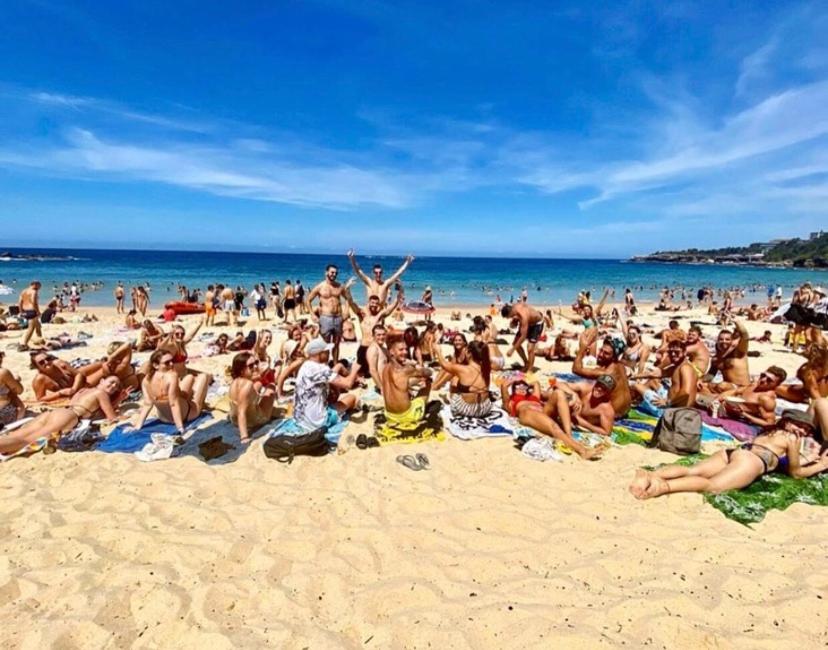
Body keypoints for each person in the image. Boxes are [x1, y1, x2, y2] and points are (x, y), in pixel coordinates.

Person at [629, 410, 828, 499]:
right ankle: (662, 487)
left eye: (806, 430)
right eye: (801, 427)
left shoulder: (770, 431)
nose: (802, 432)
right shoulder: (792, 439)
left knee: (693, 470)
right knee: (712, 486)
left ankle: (650, 475)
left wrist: (808, 459)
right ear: (788, 423)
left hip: (737, 452)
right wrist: (820, 466)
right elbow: (795, 472)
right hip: (752, 460)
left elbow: (782, 459)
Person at [0, 377, 123, 457]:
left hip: (55, 413)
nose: (113, 386)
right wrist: (123, 411)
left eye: (116, 386)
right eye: (112, 382)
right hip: (69, 416)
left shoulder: (83, 390)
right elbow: (112, 417)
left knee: (19, 433)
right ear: (101, 380)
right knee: (30, 439)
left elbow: (88, 406)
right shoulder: (101, 393)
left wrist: (117, 400)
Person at [500, 377, 601, 460]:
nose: (521, 388)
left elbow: (536, 382)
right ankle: (582, 451)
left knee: (559, 393)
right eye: (518, 387)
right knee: (554, 427)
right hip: (528, 414)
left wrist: (525, 383)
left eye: (523, 387)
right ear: (513, 390)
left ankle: (569, 435)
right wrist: (509, 383)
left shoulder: (533, 397)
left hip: (543, 413)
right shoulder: (512, 401)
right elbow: (504, 398)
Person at [133, 350, 212, 435]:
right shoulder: (172, 376)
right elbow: (173, 404)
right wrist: (180, 428)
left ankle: (194, 402)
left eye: (172, 361)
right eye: (167, 363)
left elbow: (148, 404)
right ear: (155, 365)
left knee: (189, 377)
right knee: (204, 377)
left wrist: (138, 426)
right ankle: (200, 405)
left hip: (164, 418)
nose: (171, 364)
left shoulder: (146, 380)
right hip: (186, 415)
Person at [293, 338, 361, 432]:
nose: (329, 353)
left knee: (332, 389)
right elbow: (348, 384)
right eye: (326, 351)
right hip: (317, 423)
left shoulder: (305, 365)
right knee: (352, 398)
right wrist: (355, 367)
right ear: (319, 354)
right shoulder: (321, 369)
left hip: (300, 419)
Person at [571, 328, 631, 417]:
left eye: (606, 353)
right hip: (625, 410)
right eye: (601, 350)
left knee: (573, 397)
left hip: (613, 413)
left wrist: (582, 349)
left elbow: (576, 369)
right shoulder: (620, 366)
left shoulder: (607, 373)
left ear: (614, 357)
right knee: (585, 388)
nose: (600, 354)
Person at [344, 288, 401, 376]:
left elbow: (392, 306)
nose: (374, 305)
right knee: (361, 373)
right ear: (369, 303)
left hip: (376, 348)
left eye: (376, 303)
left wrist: (400, 291)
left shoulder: (380, 316)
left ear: (378, 304)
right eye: (372, 303)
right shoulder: (362, 315)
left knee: (381, 370)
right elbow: (351, 303)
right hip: (364, 347)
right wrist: (348, 291)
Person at [381, 334, 433, 427]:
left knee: (407, 385)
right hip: (406, 416)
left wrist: (415, 381)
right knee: (428, 381)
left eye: (406, 349)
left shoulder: (386, 368)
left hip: (389, 415)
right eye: (401, 350)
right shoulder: (406, 370)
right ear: (391, 352)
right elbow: (429, 372)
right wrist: (414, 364)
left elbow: (399, 383)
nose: (405, 352)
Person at [435, 340, 493, 418]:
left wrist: (438, 351)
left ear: (469, 354)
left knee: (455, 379)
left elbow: (444, 364)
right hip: (485, 408)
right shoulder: (486, 368)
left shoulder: (463, 369)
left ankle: (454, 409)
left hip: (467, 409)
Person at [229, 352, 277, 443]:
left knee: (259, 383)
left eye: (256, 363)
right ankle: (263, 415)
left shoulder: (236, 381)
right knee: (271, 387)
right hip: (252, 421)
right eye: (251, 366)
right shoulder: (248, 385)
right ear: (242, 370)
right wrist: (244, 437)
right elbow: (241, 412)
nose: (255, 366)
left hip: (233, 419)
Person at [547, 374, 617, 437]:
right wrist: (574, 394)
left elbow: (606, 432)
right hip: (566, 413)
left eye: (604, 388)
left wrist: (583, 423)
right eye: (598, 384)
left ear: (608, 392)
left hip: (574, 423)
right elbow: (558, 384)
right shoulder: (587, 388)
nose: (599, 389)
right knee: (558, 394)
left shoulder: (606, 409)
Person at [306, 265, 349, 362]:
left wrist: (347, 311)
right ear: (326, 273)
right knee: (325, 344)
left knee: (336, 343)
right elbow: (308, 300)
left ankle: (335, 364)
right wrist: (312, 314)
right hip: (326, 318)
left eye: (336, 273)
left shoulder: (339, 286)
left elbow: (347, 298)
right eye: (332, 272)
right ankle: (324, 365)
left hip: (338, 317)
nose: (334, 275)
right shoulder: (320, 287)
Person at [719, 366, 786, 427]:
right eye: (763, 375)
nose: (763, 380)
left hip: (739, 419)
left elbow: (769, 423)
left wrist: (744, 414)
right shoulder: (755, 385)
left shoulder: (766, 399)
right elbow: (735, 391)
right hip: (723, 408)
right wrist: (718, 399)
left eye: (769, 380)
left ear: (776, 385)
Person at [347, 250, 414, 304]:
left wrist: (407, 263)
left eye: (380, 272)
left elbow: (398, 273)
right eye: (376, 273)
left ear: (382, 273)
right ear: (373, 273)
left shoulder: (385, 284)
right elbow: (358, 271)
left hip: (381, 314)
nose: (378, 274)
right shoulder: (369, 282)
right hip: (369, 313)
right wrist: (352, 259)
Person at [702, 320, 751, 393]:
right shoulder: (716, 359)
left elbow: (745, 335)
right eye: (721, 339)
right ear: (717, 341)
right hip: (727, 387)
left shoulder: (738, 352)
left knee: (722, 386)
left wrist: (737, 321)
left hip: (742, 387)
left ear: (732, 341)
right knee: (701, 386)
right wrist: (699, 380)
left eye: (727, 339)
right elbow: (711, 375)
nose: (724, 341)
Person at [501, 301, 544, 372]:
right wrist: (514, 321)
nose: (509, 318)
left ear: (511, 312)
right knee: (515, 344)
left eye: (509, 317)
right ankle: (526, 363)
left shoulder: (523, 316)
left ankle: (530, 369)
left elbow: (523, 337)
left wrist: (512, 350)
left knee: (530, 348)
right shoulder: (514, 308)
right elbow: (524, 305)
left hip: (536, 324)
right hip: (528, 321)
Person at [0, 351, 25, 426]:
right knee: (12, 392)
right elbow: (20, 390)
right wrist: (16, 381)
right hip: (4, 415)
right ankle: (19, 417)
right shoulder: (3, 372)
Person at [17, 280, 42, 350]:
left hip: (25, 310)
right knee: (31, 328)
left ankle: (40, 338)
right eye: (39, 286)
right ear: (35, 284)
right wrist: (38, 311)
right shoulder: (34, 292)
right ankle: (24, 344)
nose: (39, 288)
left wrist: (21, 311)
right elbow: (34, 302)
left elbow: (20, 302)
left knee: (37, 325)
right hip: (32, 311)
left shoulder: (24, 291)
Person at [366, 324, 390, 391]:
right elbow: (372, 370)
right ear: (373, 336)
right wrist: (381, 388)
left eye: (383, 334)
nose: (381, 337)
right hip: (383, 385)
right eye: (378, 335)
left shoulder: (384, 349)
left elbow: (394, 360)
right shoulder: (373, 349)